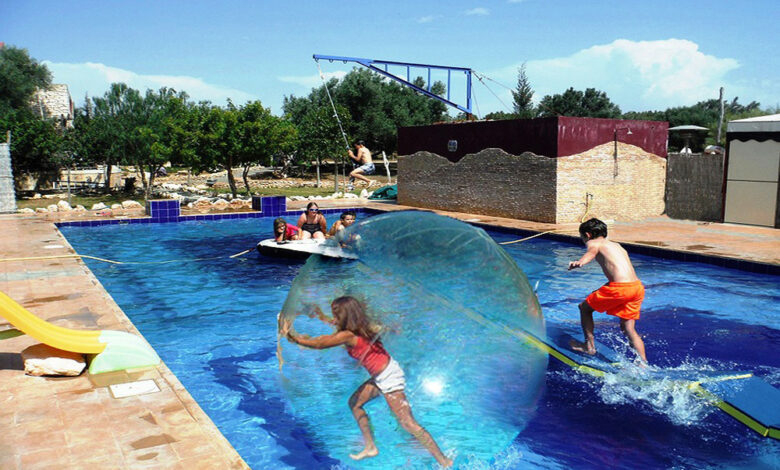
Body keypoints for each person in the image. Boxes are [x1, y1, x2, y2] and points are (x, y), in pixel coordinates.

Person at [280, 296, 452, 467]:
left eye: (336, 314)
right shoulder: (359, 327)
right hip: (383, 374)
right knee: (355, 403)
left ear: (345, 316)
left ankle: (444, 462)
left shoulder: (347, 335)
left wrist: (292, 337)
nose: (335, 318)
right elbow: (332, 326)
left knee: (408, 423)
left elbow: (319, 343)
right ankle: (370, 447)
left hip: (388, 378)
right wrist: (320, 316)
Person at [567, 218, 647, 363]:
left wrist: (580, 262)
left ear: (588, 235)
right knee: (628, 328)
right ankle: (643, 363)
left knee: (584, 308)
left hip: (620, 289)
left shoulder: (594, 243)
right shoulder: (616, 245)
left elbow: (590, 253)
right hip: (636, 287)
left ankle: (588, 346)